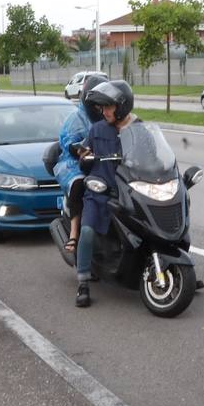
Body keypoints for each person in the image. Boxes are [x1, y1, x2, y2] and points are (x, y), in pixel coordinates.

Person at [73, 80, 137, 308]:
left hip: (129, 191)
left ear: (121, 106)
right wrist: (84, 155)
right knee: (88, 231)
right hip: (100, 191)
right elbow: (84, 152)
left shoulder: (138, 129)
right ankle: (83, 281)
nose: (103, 111)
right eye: (102, 107)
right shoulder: (97, 129)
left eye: (108, 107)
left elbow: (153, 155)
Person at [55, 73, 109, 254]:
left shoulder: (110, 116)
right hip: (74, 163)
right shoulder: (75, 119)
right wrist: (79, 149)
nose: (100, 107)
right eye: (97, 103)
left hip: (104, 161)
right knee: (79, 184)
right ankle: (74, 232)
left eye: (103, 102)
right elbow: (68, 141)